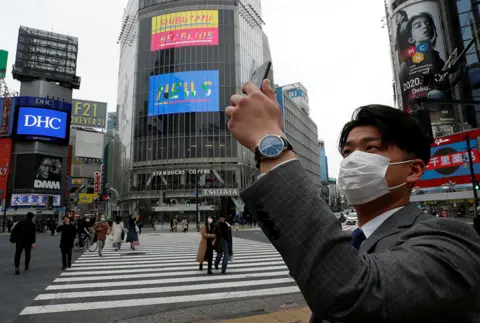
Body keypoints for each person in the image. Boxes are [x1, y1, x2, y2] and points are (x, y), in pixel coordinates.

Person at [225, 80, 480, 322]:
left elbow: (353, 292)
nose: (353, 161)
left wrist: (270, 142)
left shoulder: (452, 240)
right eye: (347, 152)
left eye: (371, 149)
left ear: (413, 170)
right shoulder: (350, 239)